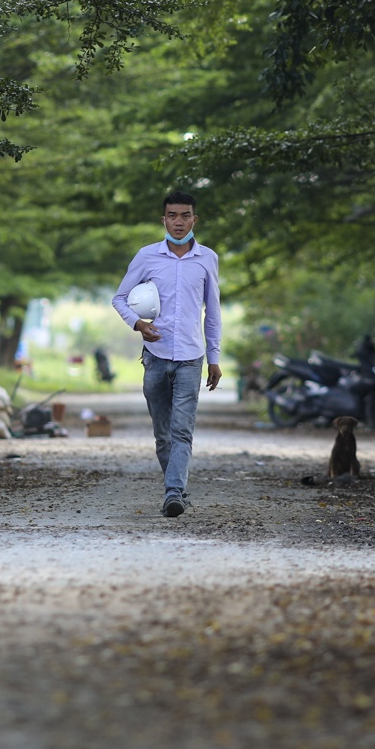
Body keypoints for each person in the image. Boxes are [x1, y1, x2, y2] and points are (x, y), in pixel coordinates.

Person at [111, 190, 222, 517]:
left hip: (191, 356)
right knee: (163, 434)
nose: (178, 221)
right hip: (155, 356)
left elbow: (212, 313)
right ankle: (177, 488)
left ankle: (173, 493)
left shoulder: (207, 259)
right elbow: (119, 298)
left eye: (185, 215)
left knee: (181, 430)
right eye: (172, 215)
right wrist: (138, 325)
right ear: (164, 219)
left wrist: (214, 358)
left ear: (194, 219)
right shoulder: (146, 257)